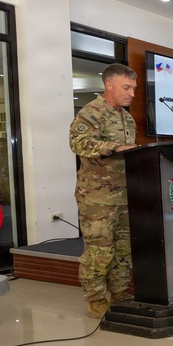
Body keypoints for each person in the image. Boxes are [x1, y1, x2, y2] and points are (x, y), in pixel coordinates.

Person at [68, 63, 138, 318]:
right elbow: (77, 142)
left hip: (124, 195)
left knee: (122, 249)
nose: (132, 93)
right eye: (126, 87)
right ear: (109, 85)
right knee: (99, 251)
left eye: (133, 88)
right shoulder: (92, 112)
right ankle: (96, 299)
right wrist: (112, 148)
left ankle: (119, 292)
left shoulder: (127, 117)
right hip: (97, 198)